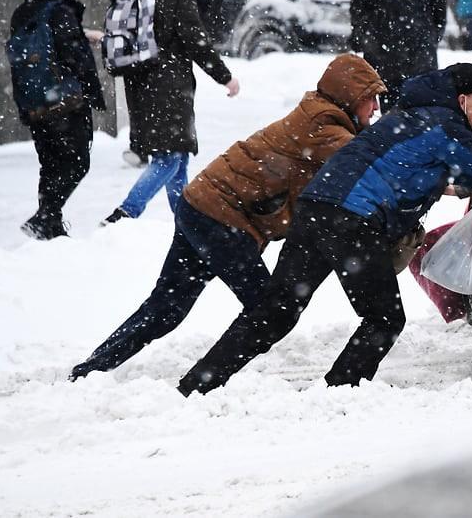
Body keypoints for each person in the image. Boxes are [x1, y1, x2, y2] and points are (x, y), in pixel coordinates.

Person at [177, 62, 472, 395]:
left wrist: (468, 184)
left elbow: (424, 171)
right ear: (463, 99)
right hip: (351, 222)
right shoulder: (444, 127)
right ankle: (340, 391)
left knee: (276, 311)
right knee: (385, 318)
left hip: (315, 212)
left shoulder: (405, 118)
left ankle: (198, 383)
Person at [71, 55, 385, 380]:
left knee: (167, 307)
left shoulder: (322, 116)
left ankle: (90, 371)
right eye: (370, 98)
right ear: (349, 95)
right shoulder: (324, 127)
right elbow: (374, 165)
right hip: (220, 218)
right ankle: (200, 384)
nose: (375, 107)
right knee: (272, 309)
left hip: (200, 206)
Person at [103, 0, 240, 226]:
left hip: (139, 84)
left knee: (177, 159)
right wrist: (224, 76)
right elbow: (195, 40)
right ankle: (126, 212)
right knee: (169, 157)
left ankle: (186, 220)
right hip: (169, 84)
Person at [7, 0, 106, 239]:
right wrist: (90, 93)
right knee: (77, 163)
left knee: (51, 163)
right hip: (65, 103)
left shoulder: (23, 12)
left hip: (34, 102)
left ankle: (51, 224)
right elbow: (75, 57)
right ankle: (46, 216)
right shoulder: (61, 11)